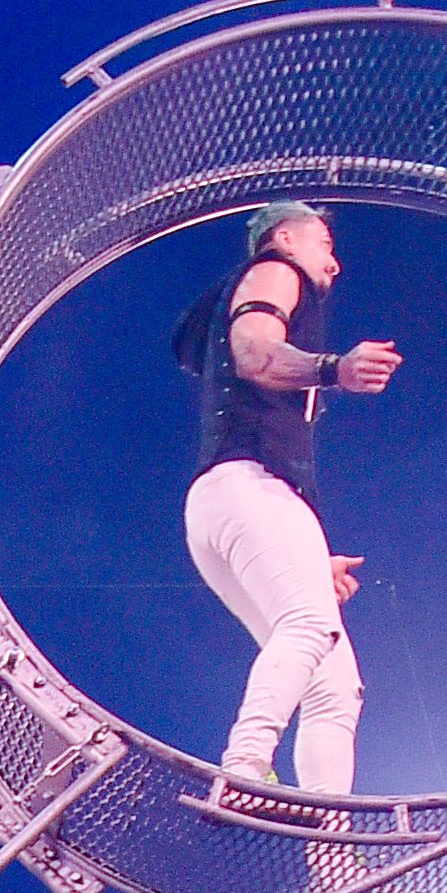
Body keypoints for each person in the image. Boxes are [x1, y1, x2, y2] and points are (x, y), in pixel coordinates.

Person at [168, 204, 401, 806]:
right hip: (249, 487)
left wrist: (306, 562)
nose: (334, 261)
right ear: (285, 236)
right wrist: (336, 369)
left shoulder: (273, 280)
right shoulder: (277, 270)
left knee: (334, 685)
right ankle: (245, 768)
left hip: (229, 506)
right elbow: (253, 350)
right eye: (324, 242)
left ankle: (330, 859)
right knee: (309, 625)